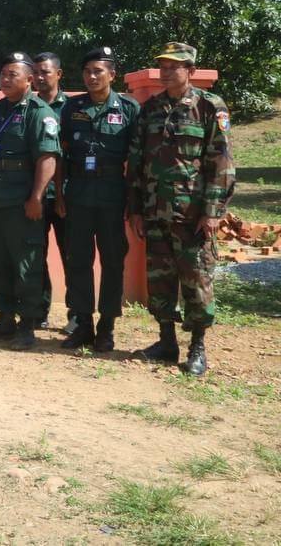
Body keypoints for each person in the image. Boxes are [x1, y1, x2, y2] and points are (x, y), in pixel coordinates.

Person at [127, 42, 234, 377]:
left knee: (197, 280)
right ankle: (166, 341)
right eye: (163, 65)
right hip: (155, 210)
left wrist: (212, 211)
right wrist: (135, 208)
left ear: (191, 70)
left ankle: (197, 347)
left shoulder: (209, 106)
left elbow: (221, 163)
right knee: (159, 280)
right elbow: (137, 160)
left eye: (174, 66)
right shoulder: (151, 109)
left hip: (193, 215)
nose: (166, 71)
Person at [0, 52, 60, 350]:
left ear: (29, 79)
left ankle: (27, 325)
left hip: (22, 203)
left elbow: (47, 158)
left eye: (12, 75)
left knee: (26, 265)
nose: (5, 79)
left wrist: (36, 197)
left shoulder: (39, 112)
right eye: (3, 74)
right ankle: (5, 318)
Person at [54, 47, 140, 352]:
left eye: (98, 71)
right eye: (87, 71)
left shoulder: (128, 108)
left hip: (112, 196)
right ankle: (83, 324)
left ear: (112, 75)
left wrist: (133, 201)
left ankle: (107, 326)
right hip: (77, 195)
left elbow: (137, 159)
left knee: (112, 261)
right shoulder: (72, 107)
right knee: (78, 260)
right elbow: (61, 154)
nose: (91, 77)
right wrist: (60, 193)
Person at [32, 52, 71, 331]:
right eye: (36, 72)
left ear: (58, 74)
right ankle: (39, 311)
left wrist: (60, 195)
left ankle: (76, 314)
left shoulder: (72, 108)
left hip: (66, 196)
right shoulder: (29, 107)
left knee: (72, 256)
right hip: (36, 196)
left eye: (45, 72)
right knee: (36, 256)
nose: (39, 77)